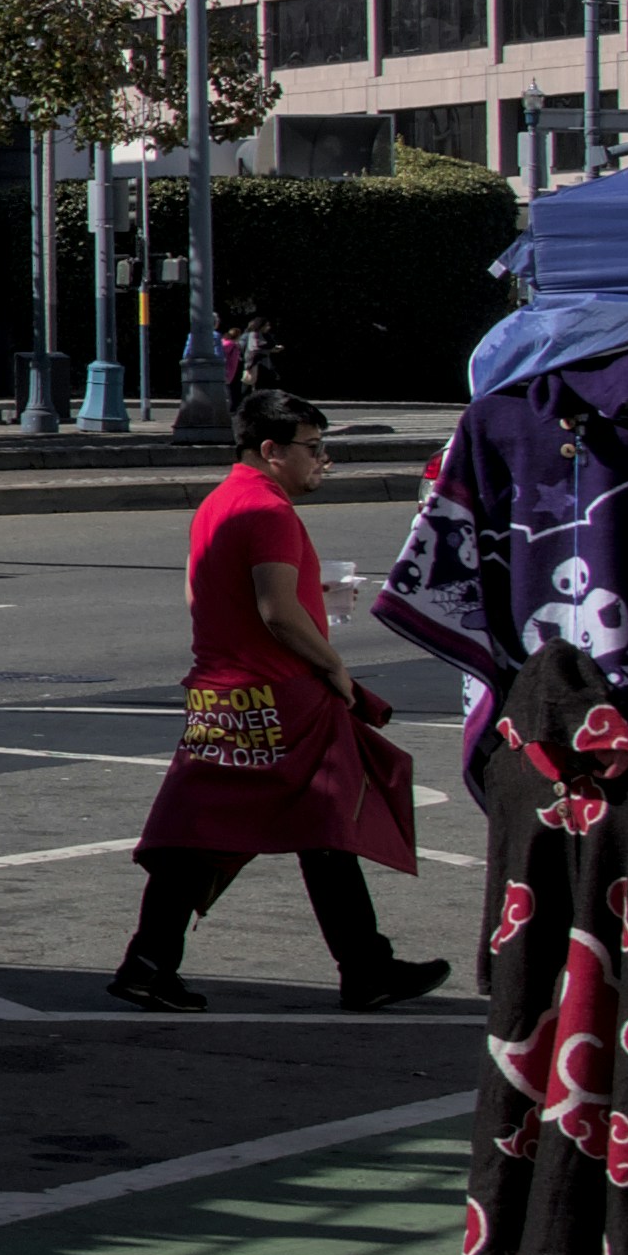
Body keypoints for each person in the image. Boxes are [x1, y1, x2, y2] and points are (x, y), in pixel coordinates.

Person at [118, 385, 450, 1009]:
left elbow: (204, 595)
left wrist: (307, 599)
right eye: (313, 448)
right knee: (321, 826)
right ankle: (364, 968)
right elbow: (277, 611)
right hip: (279, 696)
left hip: (222, 695)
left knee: (210, 830)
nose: (322, 460)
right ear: (272, 450)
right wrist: (335, 668)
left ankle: (151, 961)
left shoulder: (220, 501)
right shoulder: (268, 511)